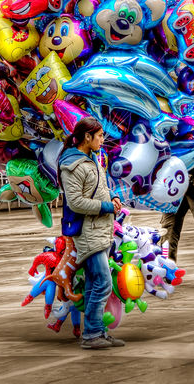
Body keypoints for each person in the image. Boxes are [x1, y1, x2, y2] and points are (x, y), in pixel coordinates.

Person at [58, 116, 125, 350]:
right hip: (88, 232)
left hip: (100, 230)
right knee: (104, 283)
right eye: (99, 136)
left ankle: (96, 332)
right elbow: (75, 202)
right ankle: (92, 335)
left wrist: (114, 198)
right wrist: (107, 207)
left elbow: (101, 188)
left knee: (93, 283)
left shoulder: (91, 159)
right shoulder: (72, 165)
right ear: (87, 137)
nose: (103, 140)